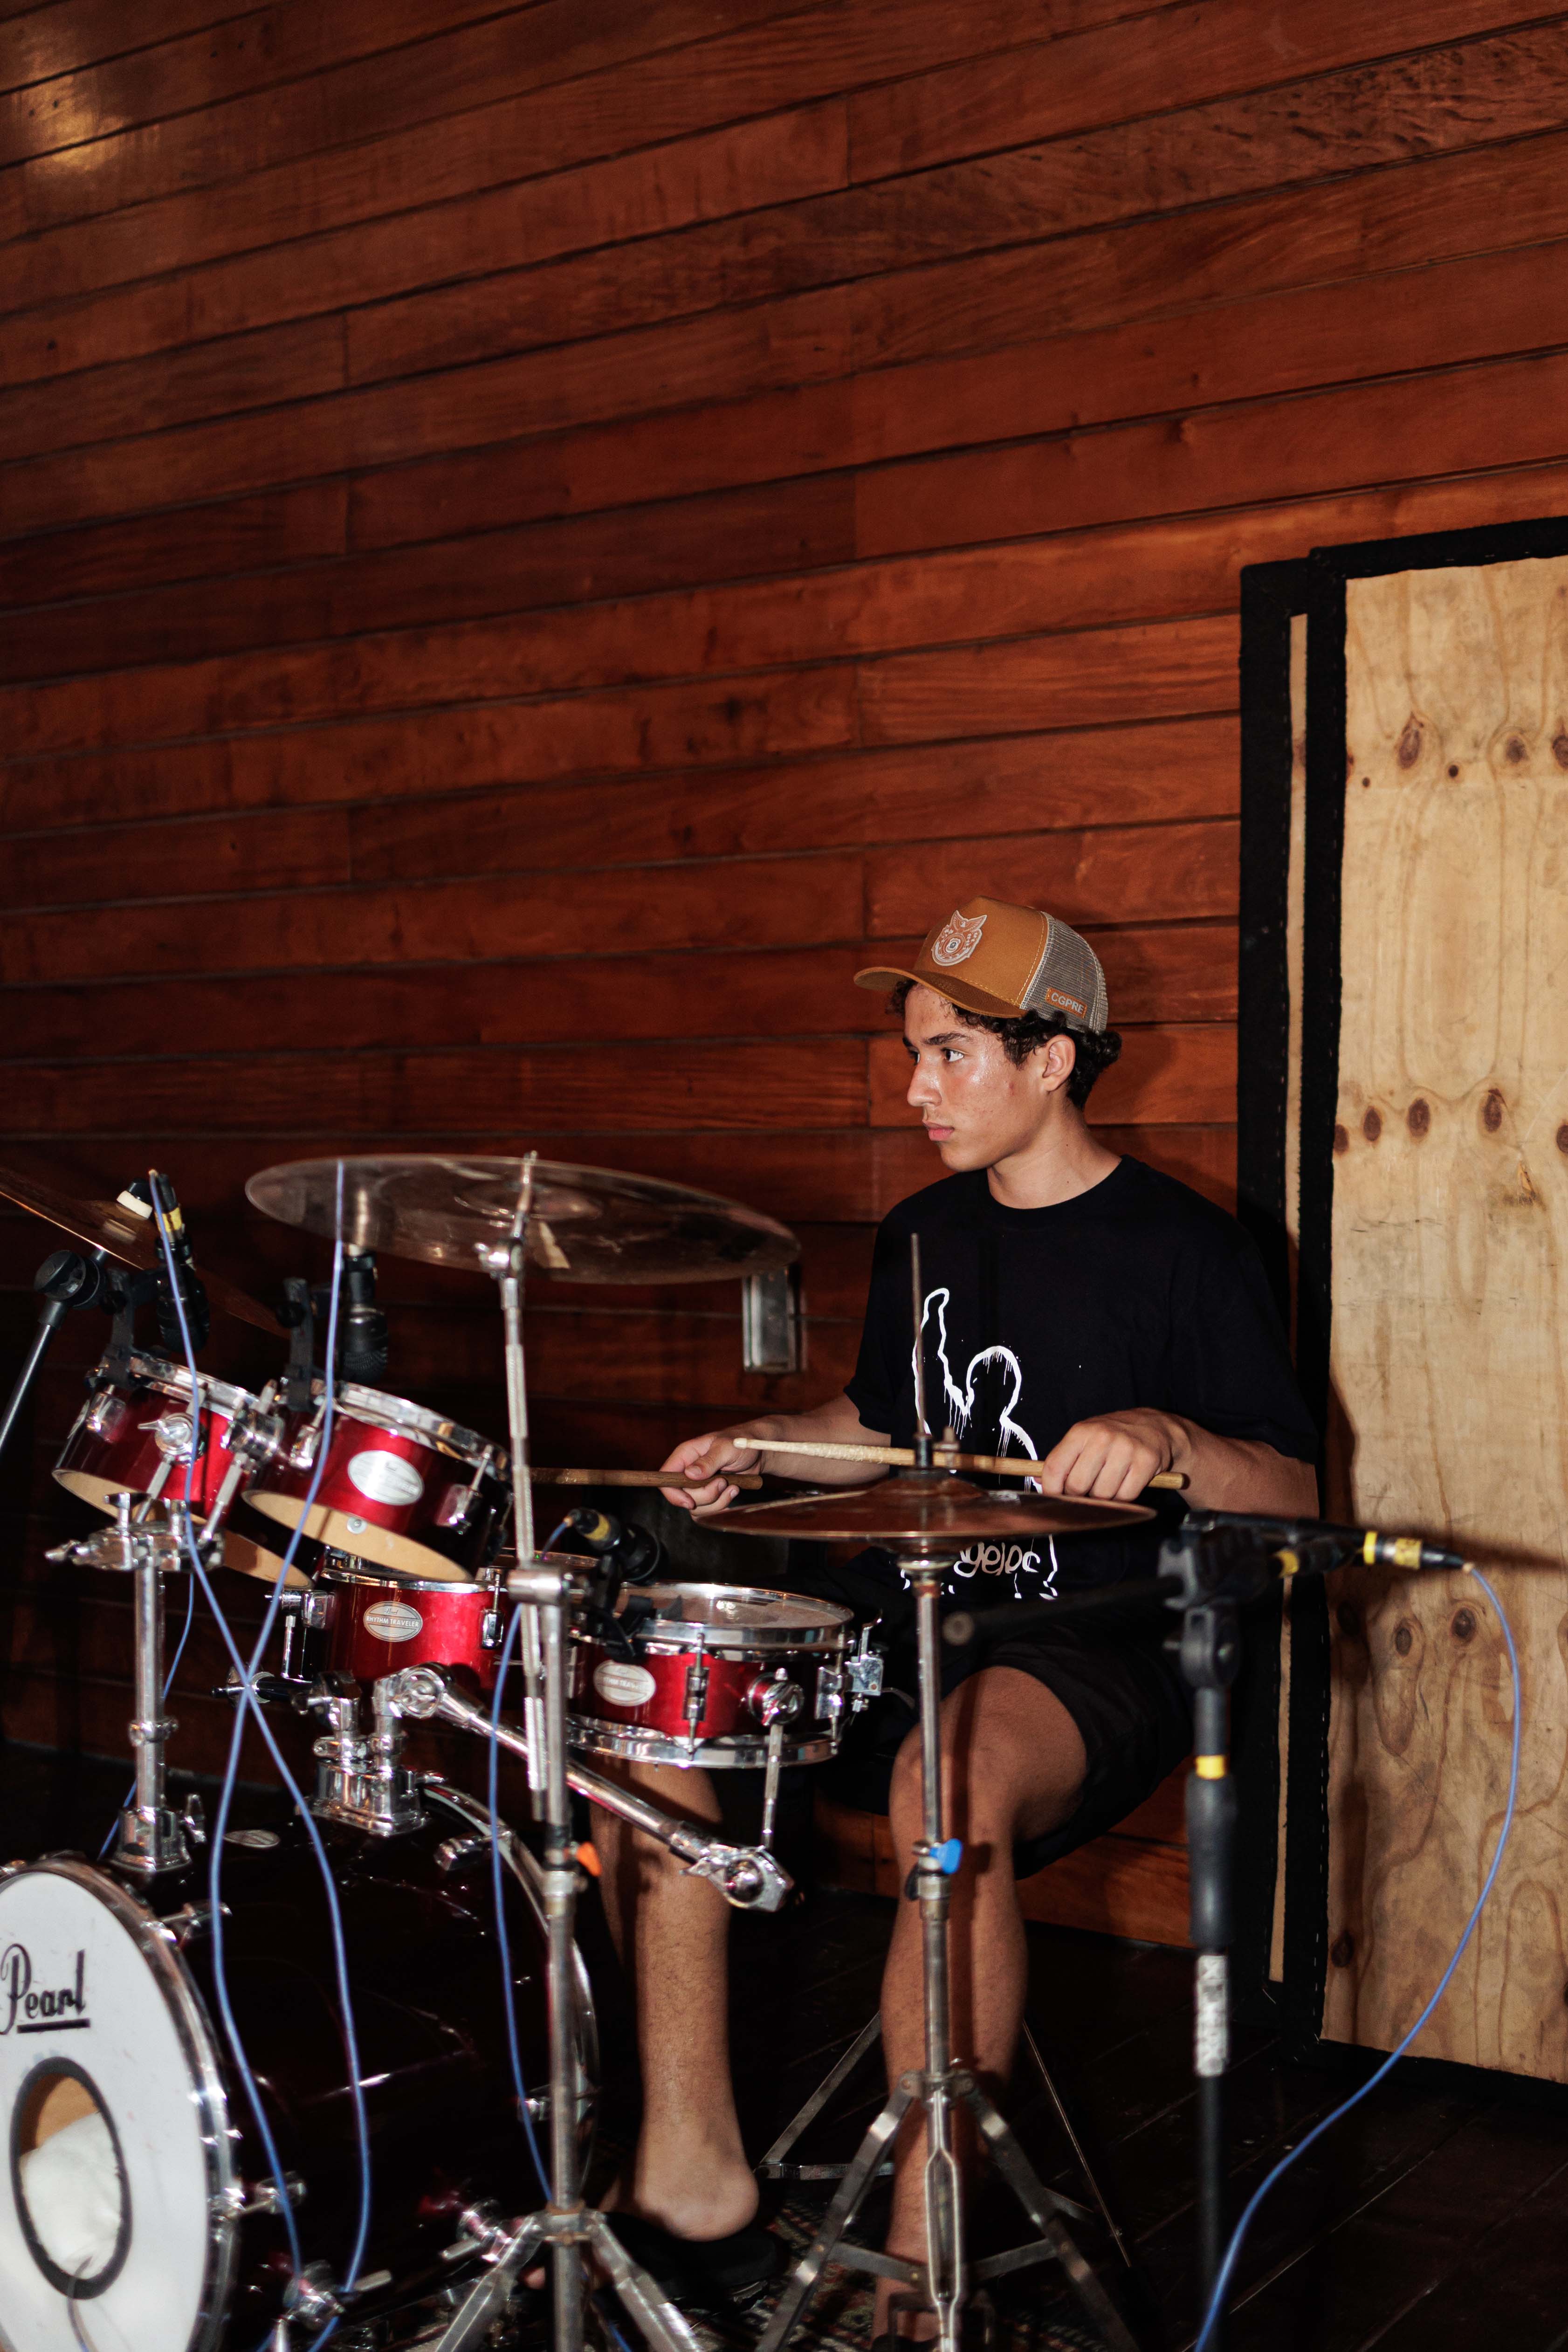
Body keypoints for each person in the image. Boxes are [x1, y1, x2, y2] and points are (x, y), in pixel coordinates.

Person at [591, 895, 1318, 2326]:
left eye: (950, 1054)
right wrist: (762, 1445)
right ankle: (689, 2171)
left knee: (947, 1781)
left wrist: (1168, 1436)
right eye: (911, 1052)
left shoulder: (1186, 1247)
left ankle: (928, 2231)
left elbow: (1292, 1488)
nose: (915, 1088)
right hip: (904, 1613)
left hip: (1091, 1644)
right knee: (657, 1714)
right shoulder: (922, 1228)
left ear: (1053, 1060)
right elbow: (875, 1426)